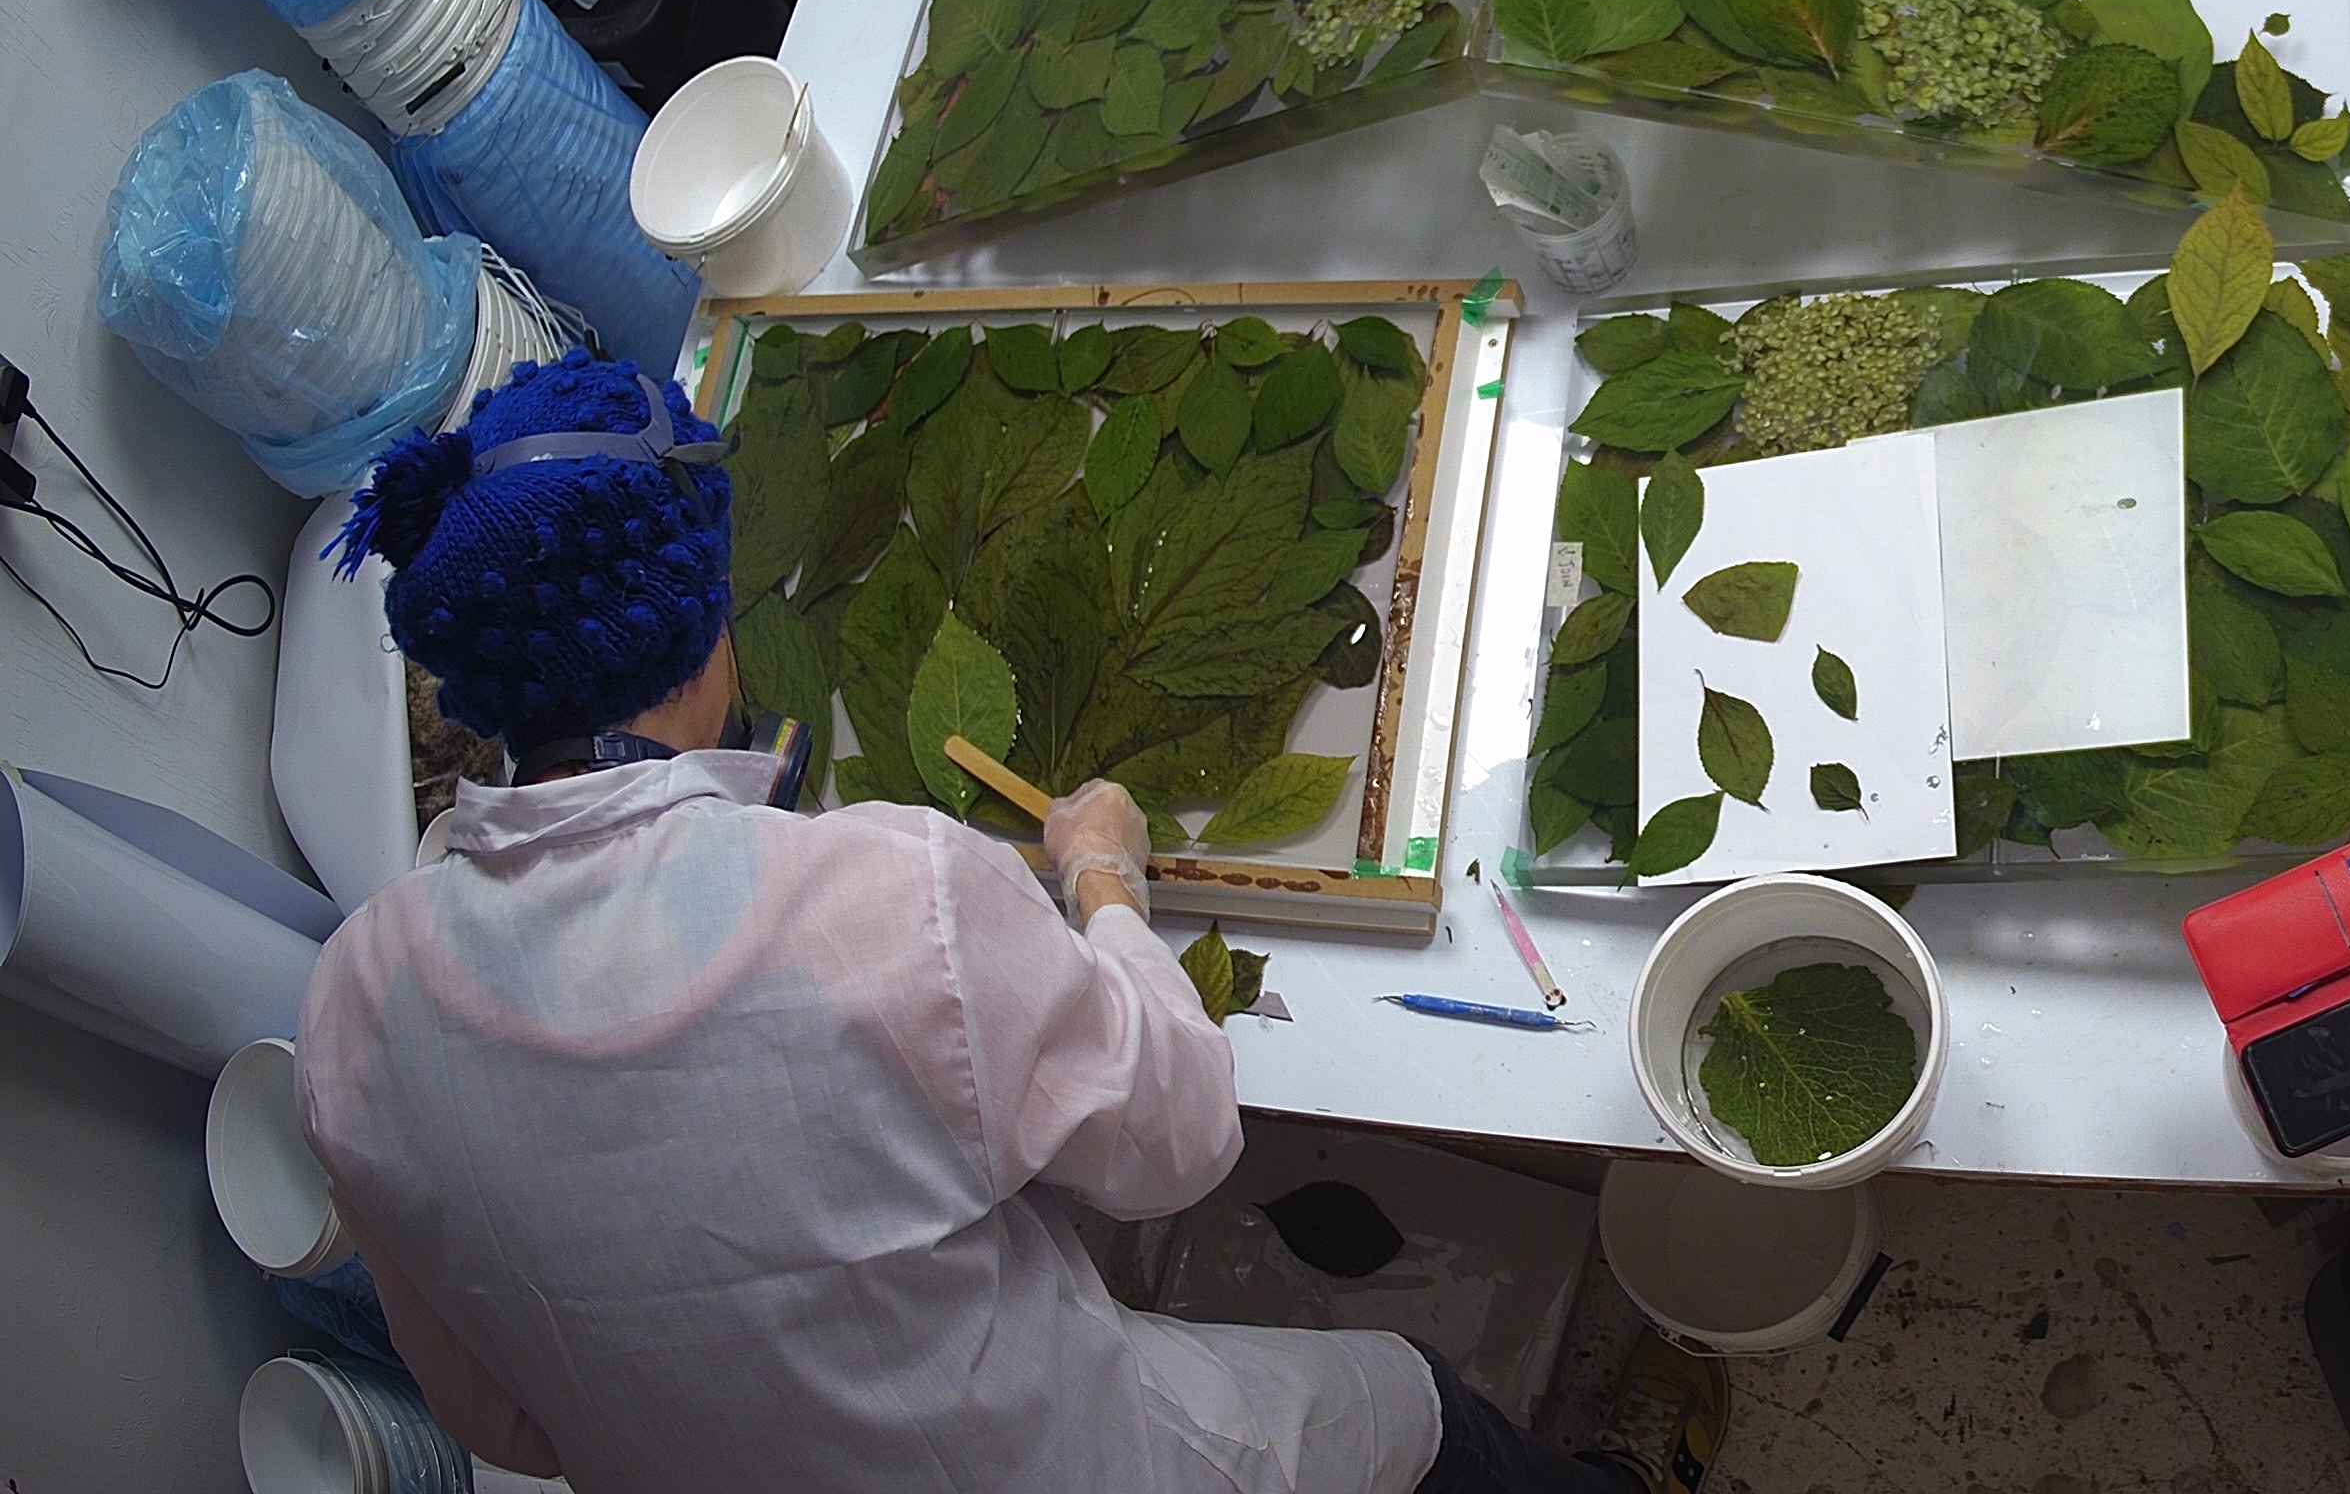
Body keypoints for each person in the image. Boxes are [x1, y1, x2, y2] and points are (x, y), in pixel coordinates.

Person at [297, 353, 1710, 1493]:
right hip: (1065, 1467)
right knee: (1406, 1406)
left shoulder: (356, 1006)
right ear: (709, 626)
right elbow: (1178, 1141)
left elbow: (507, 1420)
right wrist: (1105, 883)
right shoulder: (881, 900)